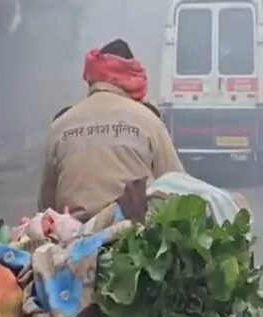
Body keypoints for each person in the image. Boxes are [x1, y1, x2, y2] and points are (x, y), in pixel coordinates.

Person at [38, 39, 184, 222]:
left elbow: (46, 206)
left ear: (92, 78)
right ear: (133, 79)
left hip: (73, 241)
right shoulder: (149, 122)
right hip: (134, 240)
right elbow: (178, 189)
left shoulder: (60, 125)